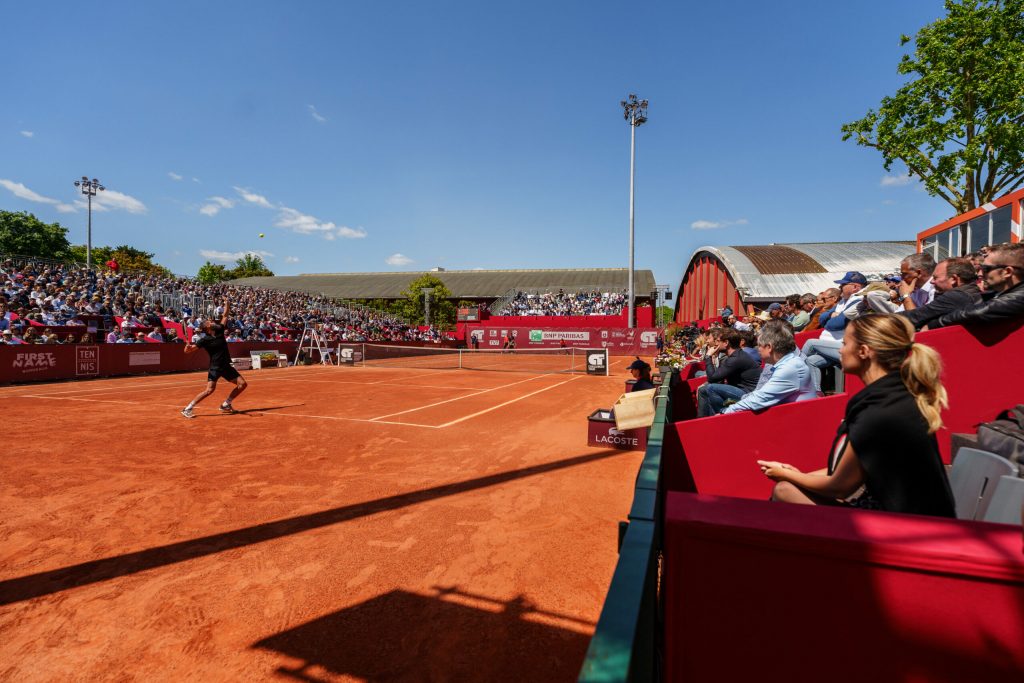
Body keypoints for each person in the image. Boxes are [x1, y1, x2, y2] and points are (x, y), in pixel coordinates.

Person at [757, 314, 955, 518]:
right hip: (907, 516)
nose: (840, 350)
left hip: (904, 526)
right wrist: (794, 475)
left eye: (844, 343)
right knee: (787, 487)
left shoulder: (879, 411)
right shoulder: (892, 397)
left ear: (863, 351)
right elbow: (847, 471)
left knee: (783, 490)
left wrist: (786, 474)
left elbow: (840, 487)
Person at [721, 320, 817, 414]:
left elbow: (760, 398)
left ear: (769, 347)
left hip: (800, 420)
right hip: (794, 416)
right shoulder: (788, 363)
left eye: (759, 345)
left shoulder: (789, 368)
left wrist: (726, 411)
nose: (758, 349)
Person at [181, 300, 248, 418]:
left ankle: (226, 404)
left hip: (226, 366)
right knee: (209, 390)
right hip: (215, 367)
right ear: (206, 328)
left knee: (242, 384)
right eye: (208, 322)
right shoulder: (204, 340)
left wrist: (227, 303)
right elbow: (188, 351)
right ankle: (187, 408)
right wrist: (186, 348)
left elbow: (225, 315)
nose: (210, 321)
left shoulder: (219, 330)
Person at [802, 272, 866, 392]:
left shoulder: (859, 300)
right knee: (810, 361)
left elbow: (837, 324)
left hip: (845, 348)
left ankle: (793, 375)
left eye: (843, 284)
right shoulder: (842, 302)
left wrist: (831, 320)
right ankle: (816, 393)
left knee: (810, 343)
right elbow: (822, 318)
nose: (840, 287)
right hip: (829, 347)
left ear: (855, 287)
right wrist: (831, 314)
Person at [937, 242, 1024, 327]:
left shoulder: (1020, 297)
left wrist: (938, 323)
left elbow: (980, 312)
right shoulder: (995, 294)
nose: (980, 274)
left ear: (1007, 272)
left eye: (986, 269)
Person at [898, 257, 983, 330]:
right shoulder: (969, 292)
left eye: (935, 278)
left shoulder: (957, 296)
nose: (932, 281)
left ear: (953, 279)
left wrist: (885, 320)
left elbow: (916, 317)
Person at [696, 328, 761, 417]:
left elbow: (712, 378)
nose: (716, 344)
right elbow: (717, 377)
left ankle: (719, 418)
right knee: (703, 390)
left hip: (748, 393)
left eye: (718, 341)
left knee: (710, 388)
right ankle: (703, 420)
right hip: (743, 390)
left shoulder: (736, 359)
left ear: (726, 343)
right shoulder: (735, 355)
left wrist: (708, 357)